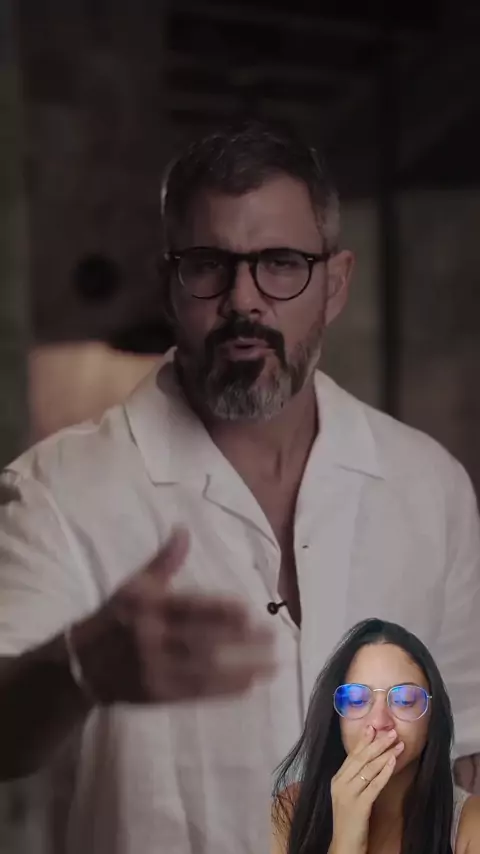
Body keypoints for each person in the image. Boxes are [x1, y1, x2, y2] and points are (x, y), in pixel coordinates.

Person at [0, 116, 479, 854]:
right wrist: (78, 667)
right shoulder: (56, 489)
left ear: (335, 284)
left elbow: (466, 749)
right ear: (169, 286)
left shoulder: (428, 483)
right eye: (208, 264)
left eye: (281, 263)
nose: (244, 300)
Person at [272, 618, 480, 854]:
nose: (380, 722)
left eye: (404, 700)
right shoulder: (291, 811)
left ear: (432, 715)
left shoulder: (471, 827)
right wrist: (345, 841)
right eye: (356, 700)